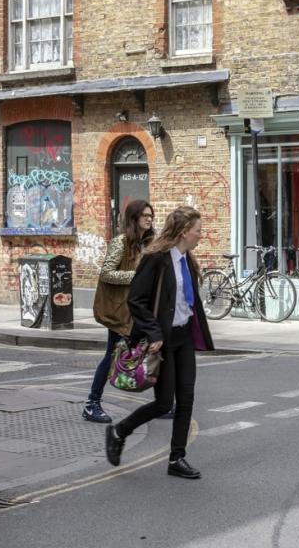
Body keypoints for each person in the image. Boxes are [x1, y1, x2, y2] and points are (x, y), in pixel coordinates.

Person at [105, 207, 216, 478]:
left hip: (183, 337)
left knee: (186, 399)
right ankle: (120, 431)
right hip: (163, 341)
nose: (201, 235)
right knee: (164, 403)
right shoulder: (156, 259)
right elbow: (136, 300)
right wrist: (154, 333)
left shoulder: (187, 261)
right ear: (184, 232)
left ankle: (177, 458)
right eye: (198, 230)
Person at [84, 200, 155, 424]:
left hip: (141, 310)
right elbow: (106, 274)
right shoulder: (120, 242)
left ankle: (164, 403)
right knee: (112, 355)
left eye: (151, 215)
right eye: (144, 215)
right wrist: (135, 276)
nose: (149, 219)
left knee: (155, 350)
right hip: (121, 312)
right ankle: (91, 403)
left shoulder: (150, 243)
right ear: (133, 218)